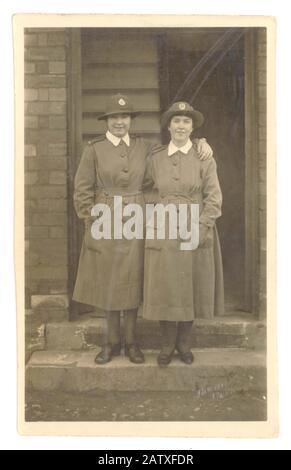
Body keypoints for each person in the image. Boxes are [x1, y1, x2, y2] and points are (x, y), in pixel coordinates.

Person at [73, 94, 214, 365]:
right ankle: (111, 342)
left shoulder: (146, 148)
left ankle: (132, 342)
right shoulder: (94, 149)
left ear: (130, 121)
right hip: (106, 217)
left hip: (139, 217)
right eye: (114, 117)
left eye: (124, 117)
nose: (119, 122)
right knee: (109, 281)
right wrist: (89, 223)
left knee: (133, 280)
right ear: (107, 121)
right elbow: (82, 190)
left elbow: (178, 147)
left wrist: (201, 142)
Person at [143, 101, 224, 367]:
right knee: (167, 285)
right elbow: (143, 189)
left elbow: (214, 197)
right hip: (164, 228)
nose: (180, 126)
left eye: (186, 122)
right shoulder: (155, 158)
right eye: (176, 121)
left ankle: (184, 343)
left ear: (193, 127)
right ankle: (166, 345)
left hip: (195, 225)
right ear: (168, 126)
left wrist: (203, 226)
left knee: (191, 284)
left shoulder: (203, 157)